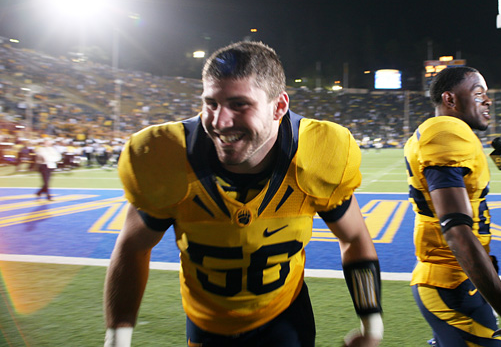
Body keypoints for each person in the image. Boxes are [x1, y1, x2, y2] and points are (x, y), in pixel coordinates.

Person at [104, 41, 383, 347]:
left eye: (239, 104)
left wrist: (372, 324)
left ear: (278, 107)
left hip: (285, 317)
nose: (219, 121)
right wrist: (117, 337)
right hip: (206, 323)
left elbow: (354, 238)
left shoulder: (318, 152)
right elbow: (132, 247)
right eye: (211, 103)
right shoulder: (165, 155)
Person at [404, 66, 501, 347]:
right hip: (449, 284)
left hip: (459, 281)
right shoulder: (446, 131)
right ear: (450, 100)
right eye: (478, 93)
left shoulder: (453, 134)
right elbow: (457, 232)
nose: (488, 101)